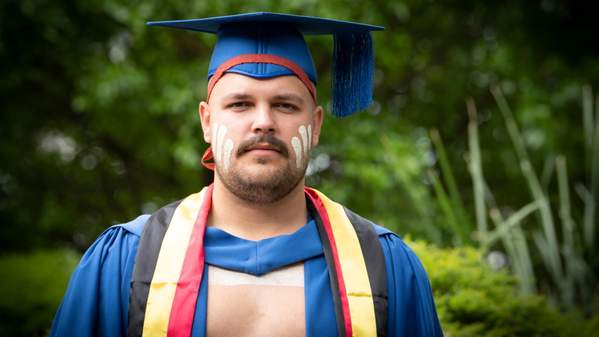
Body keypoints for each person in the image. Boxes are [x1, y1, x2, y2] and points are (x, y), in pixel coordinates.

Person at [50, 12, 443, 337]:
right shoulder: (126, 261)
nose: (263, 122)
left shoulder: (386, 267)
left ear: (317, 123)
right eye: (239, 104)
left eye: (286, 106)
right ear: (206, 121)